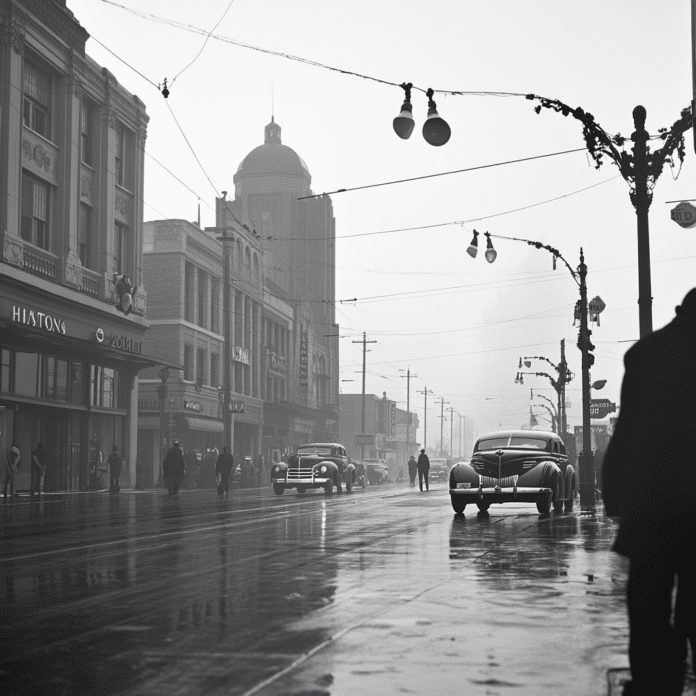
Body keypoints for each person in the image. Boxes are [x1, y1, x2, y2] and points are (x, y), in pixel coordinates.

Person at [602, 288, 696, 696]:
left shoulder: (646, 355)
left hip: (653, 503)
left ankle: (655, 680)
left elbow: (629, 433)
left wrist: (614, 493)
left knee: (648, 602)